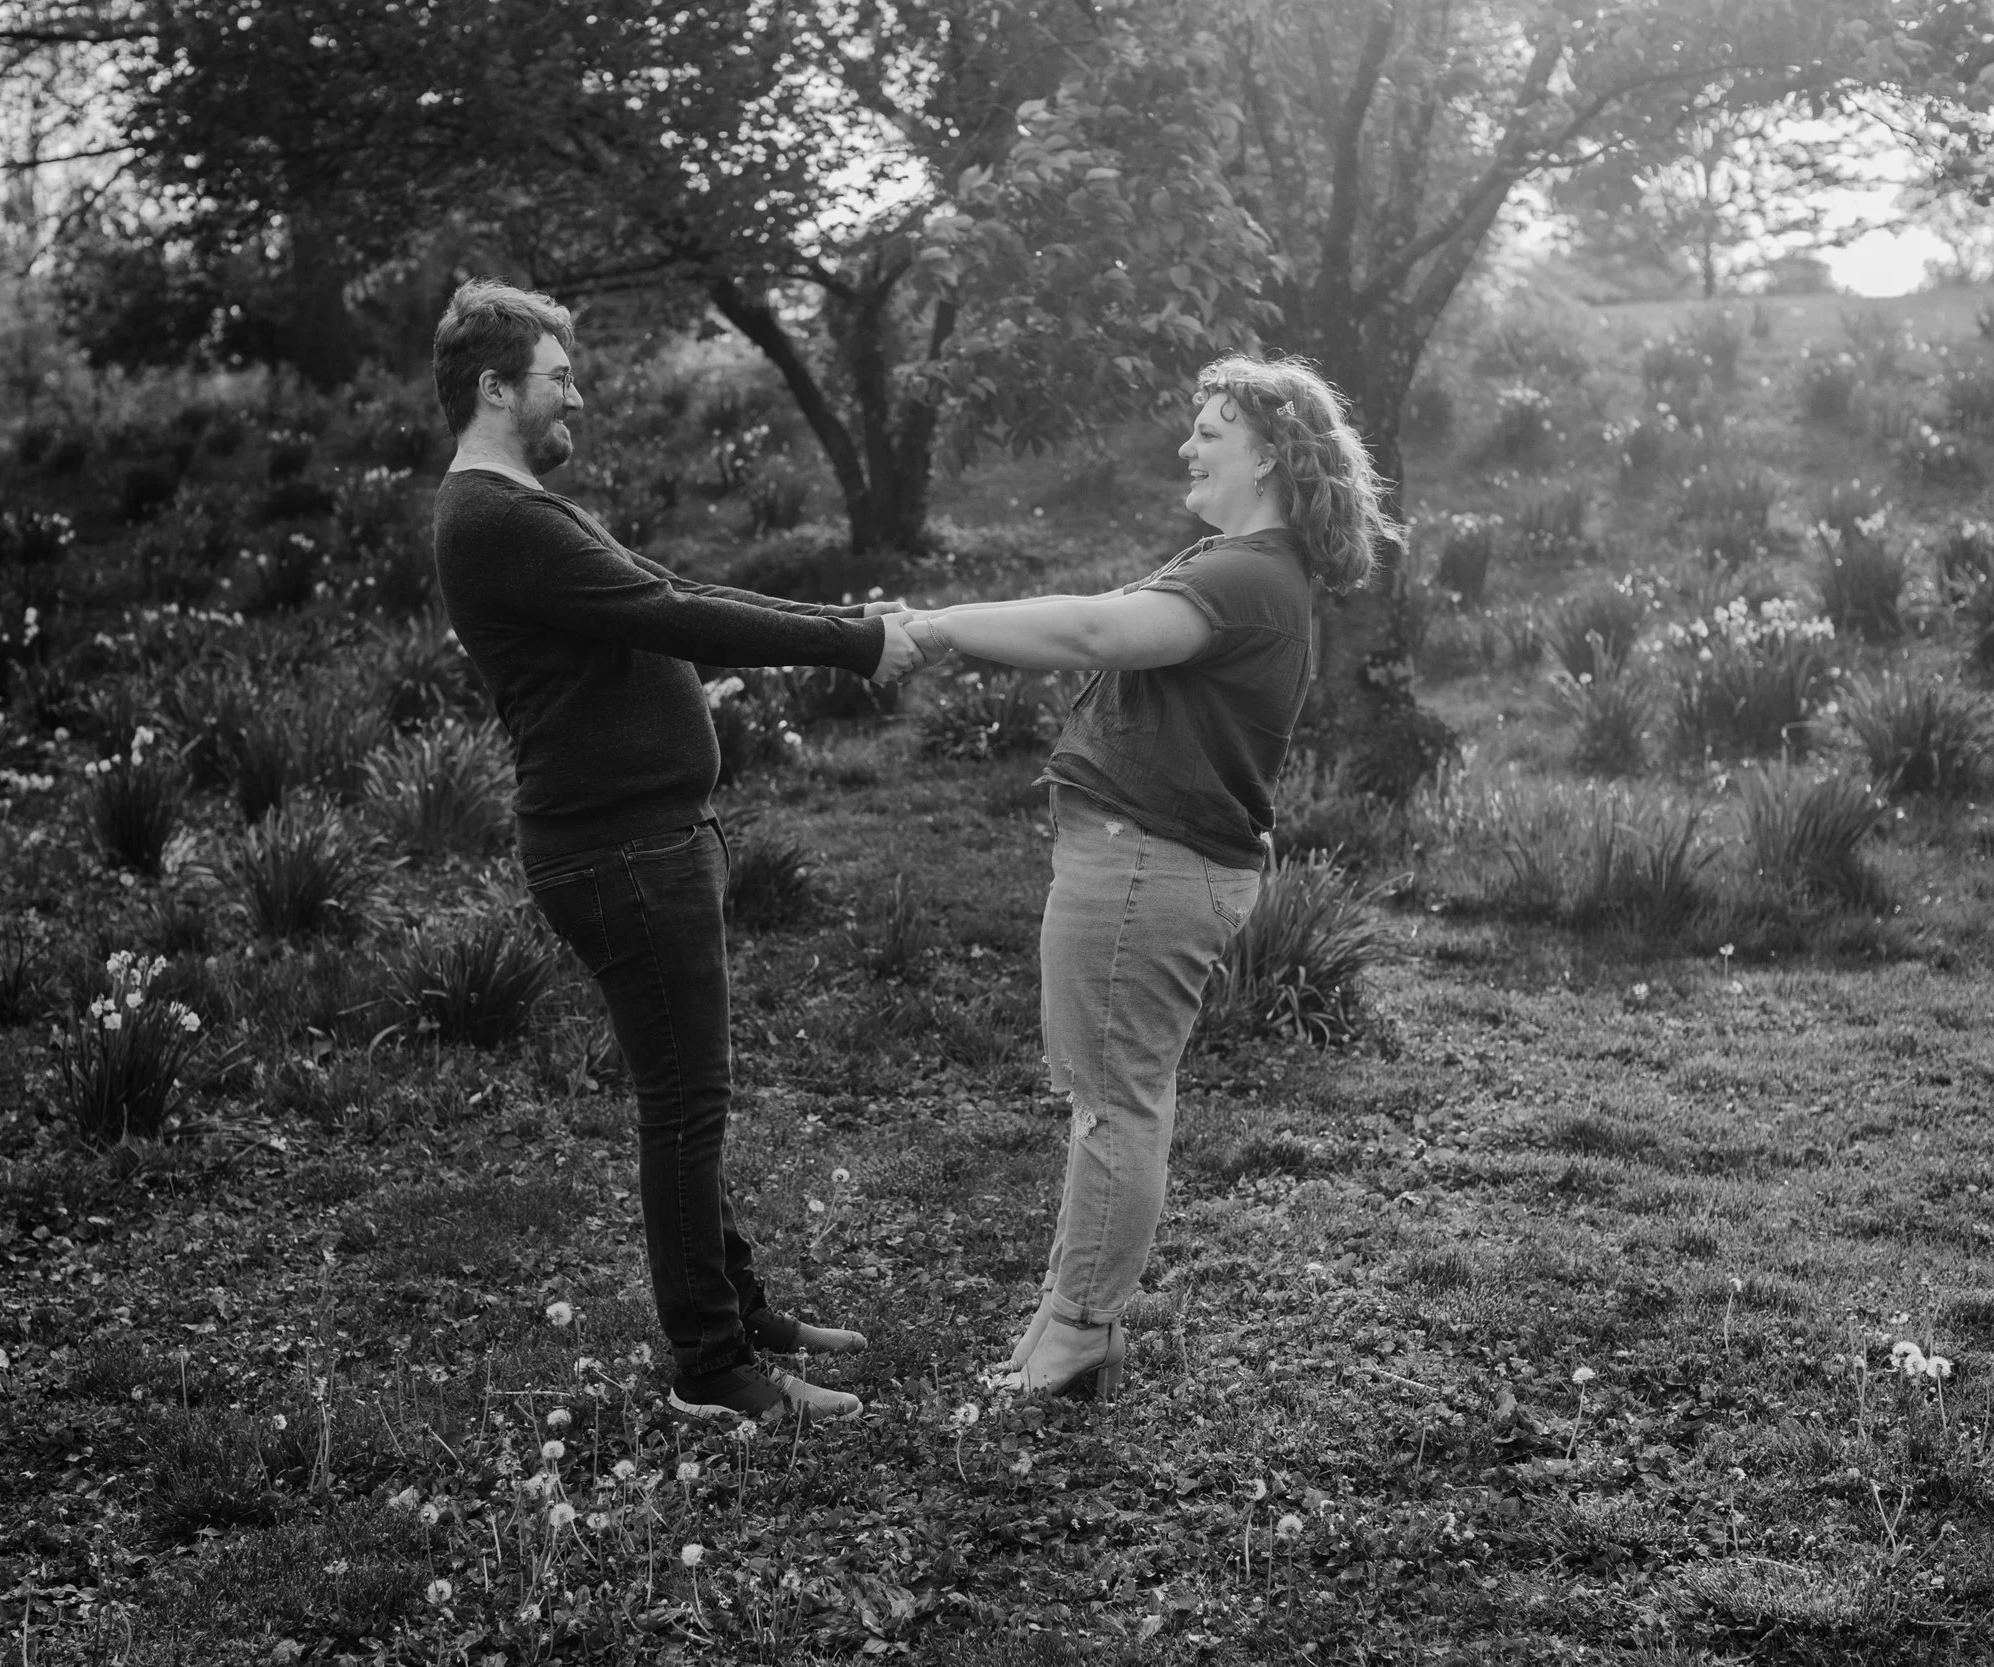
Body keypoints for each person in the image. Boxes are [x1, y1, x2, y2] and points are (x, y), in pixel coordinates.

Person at [429, 279, 924, 1424]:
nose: (578, 397)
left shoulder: (504, 508)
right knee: (684, 1106)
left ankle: (740, 1311)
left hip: (638, 835)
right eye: (559, 377)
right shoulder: (498, 513)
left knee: (692, 1099)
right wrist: (855, 640)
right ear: (496, 388)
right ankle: (714, 1368)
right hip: (617, 852)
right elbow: (671, 602)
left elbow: (622, 629)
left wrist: (671, 697)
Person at [895, 354, 1397, 1399]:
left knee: (1114, 1102)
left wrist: (928, 630)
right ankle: (1066, 1316)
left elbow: (1089, 627)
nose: (1187, 445)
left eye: (1208, 430)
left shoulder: (1247, 575)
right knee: (1106, 1097)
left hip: (1146, 866)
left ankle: (1079, 1328)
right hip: (1141, 859)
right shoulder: (1240, 563)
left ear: (1265, 453)